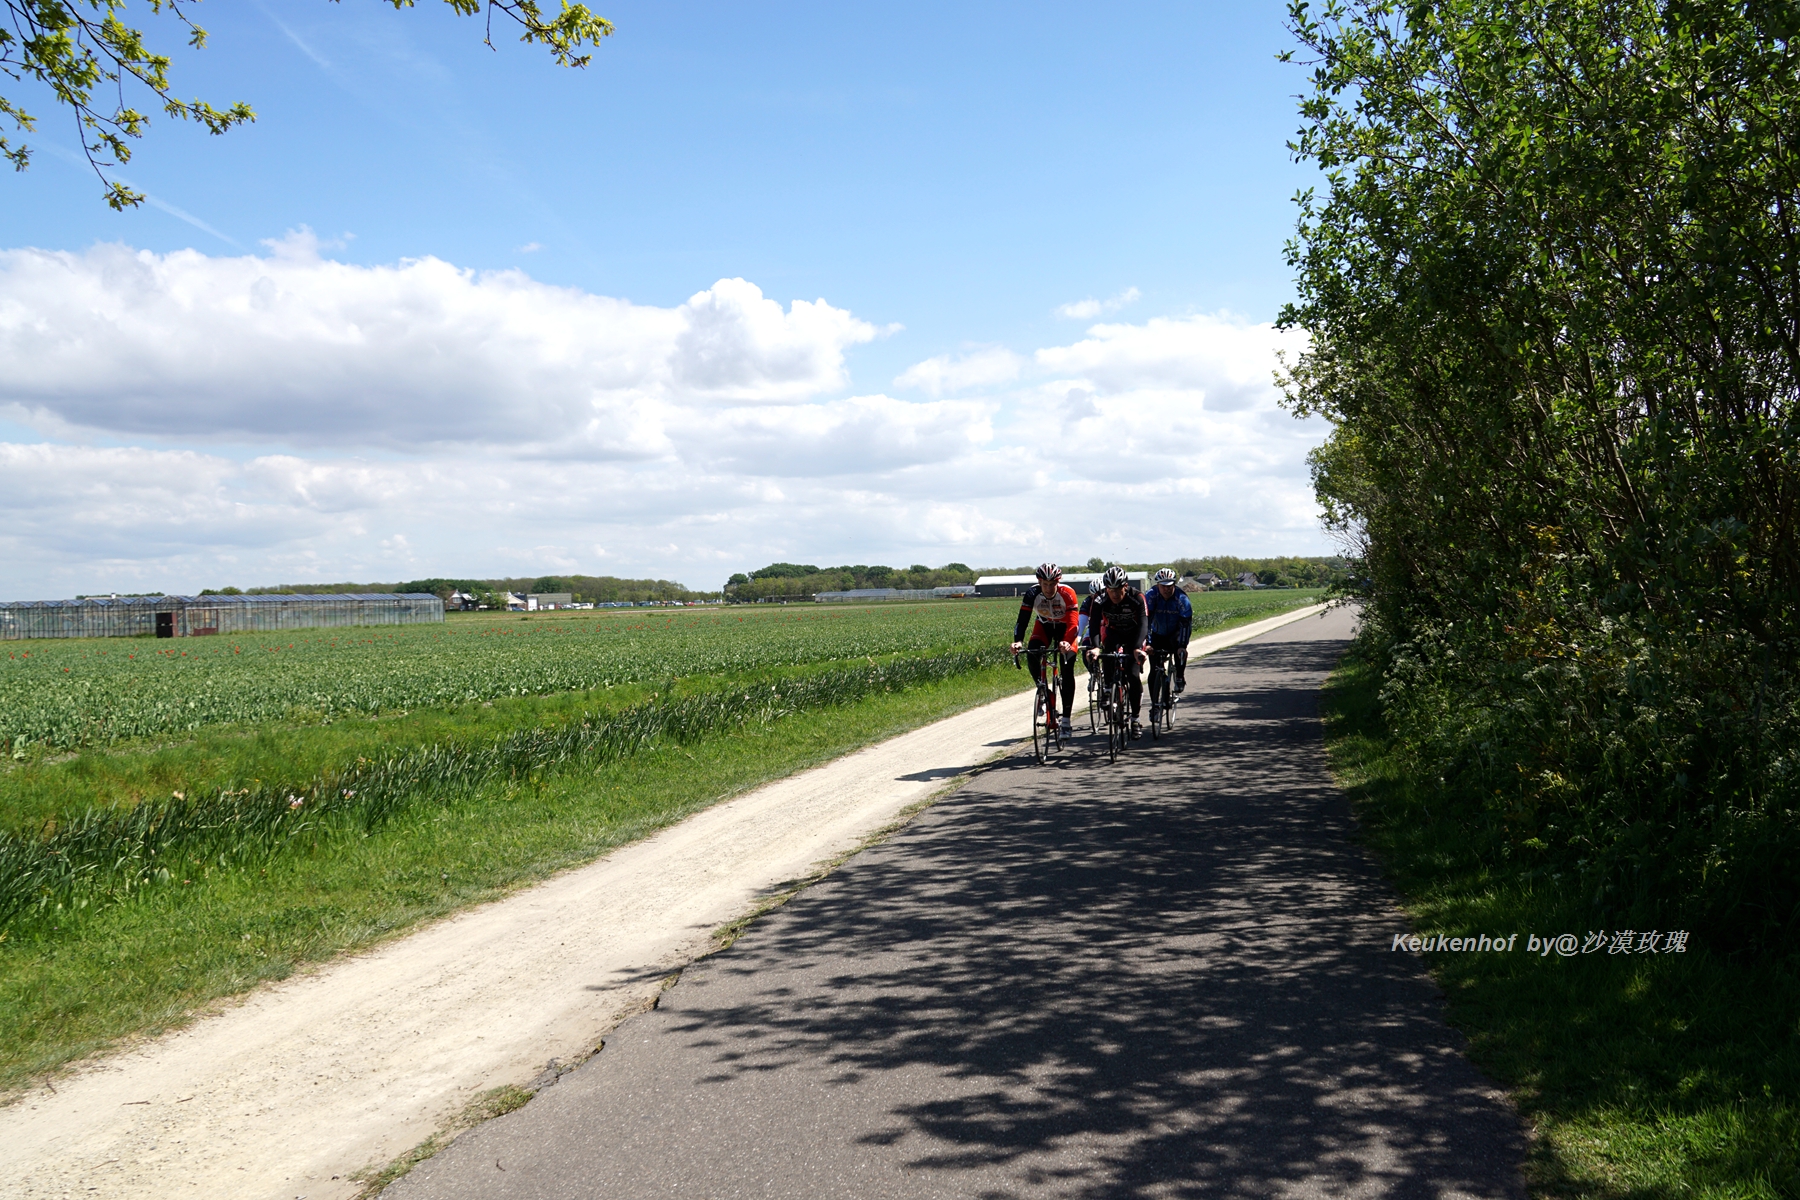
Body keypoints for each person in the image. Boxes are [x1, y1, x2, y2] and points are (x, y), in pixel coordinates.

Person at [1011, 562, 1080, 736]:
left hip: (1065, 630)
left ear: (1058, 582)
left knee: (1066, 669)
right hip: (1044, 626)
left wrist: (1067, 642)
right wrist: (1018, 641)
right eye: (1045, 584)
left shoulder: (1067, 593)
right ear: (1039, 582)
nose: (1048, 588)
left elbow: (1074, 624)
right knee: (1032, 653)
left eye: (1052, 584)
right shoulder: (1032, 593)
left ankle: (1066, 720)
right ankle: (1043, 690)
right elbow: (1022, 620)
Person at [1083, 565, 1148, 737]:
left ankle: (1135, 719)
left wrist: (1137, 648)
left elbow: (1143, 624)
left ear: (1125, 586)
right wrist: (1095, 647)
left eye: (1118, 590)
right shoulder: (1099, 599)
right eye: (1111, 590)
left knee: (1133, 674)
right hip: (1113, 632)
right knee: (1107, 652)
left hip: (1133, 635)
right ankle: (1107, 688)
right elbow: (1095, 624)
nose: (1114, 594)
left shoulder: (1137, 597)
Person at [1145, 567, 1193, 697]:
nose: (1166, 589)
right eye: (1163, 586)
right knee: (1154, 671)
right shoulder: (1151, 595)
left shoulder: (1182, 599)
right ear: (1157, 585)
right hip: (1157, 634)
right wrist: (1147, 643)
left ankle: (1179, 676)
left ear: (1174, 584)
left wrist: (1182, 646)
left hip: (1175, 633)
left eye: (1170, 586)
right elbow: (1145, 622)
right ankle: (1155, 705)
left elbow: (1186, 624)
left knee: (1180, 652)